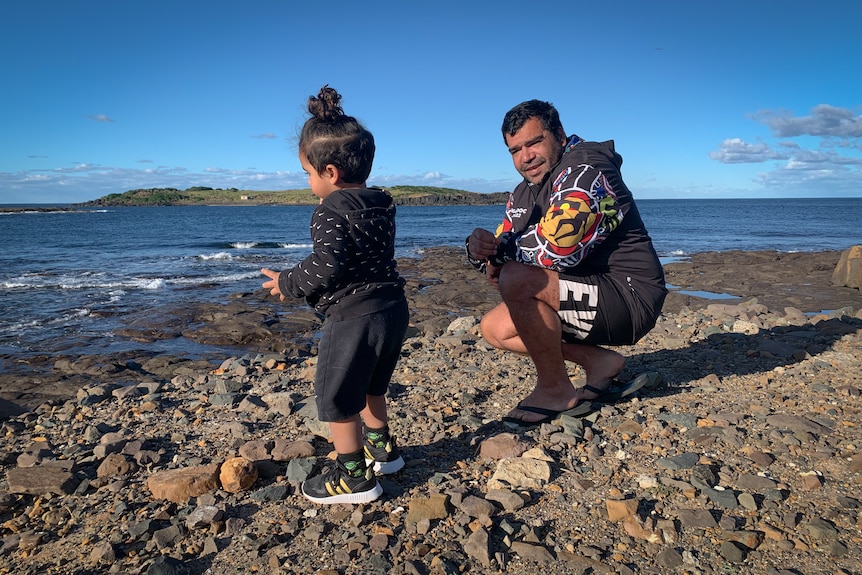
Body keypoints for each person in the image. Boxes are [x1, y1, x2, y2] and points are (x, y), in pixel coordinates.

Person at [466, 99, 667, 427]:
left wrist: (503, 256)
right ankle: (599, 362)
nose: (525, 156)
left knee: (516, 277)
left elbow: (558, 246)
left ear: (559, 134)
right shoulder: (524, 192)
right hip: (587, 292)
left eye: (534, 142)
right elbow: (500, 253)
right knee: (496, 328)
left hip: (629, 297)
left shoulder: (587, 168)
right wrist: (479, 251)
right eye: (515, 150)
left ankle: (555, 388)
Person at [261, 85, 408, 504]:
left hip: (354, 316)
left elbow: (327, 264)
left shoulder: (330, 209)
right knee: (372, 384)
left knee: (338, 396)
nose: (308, 182)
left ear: (330, 172)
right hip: (392, 308)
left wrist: (287, 283)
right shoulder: (382, 202)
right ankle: (383, 451)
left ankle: (354, 477)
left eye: (307, 173)